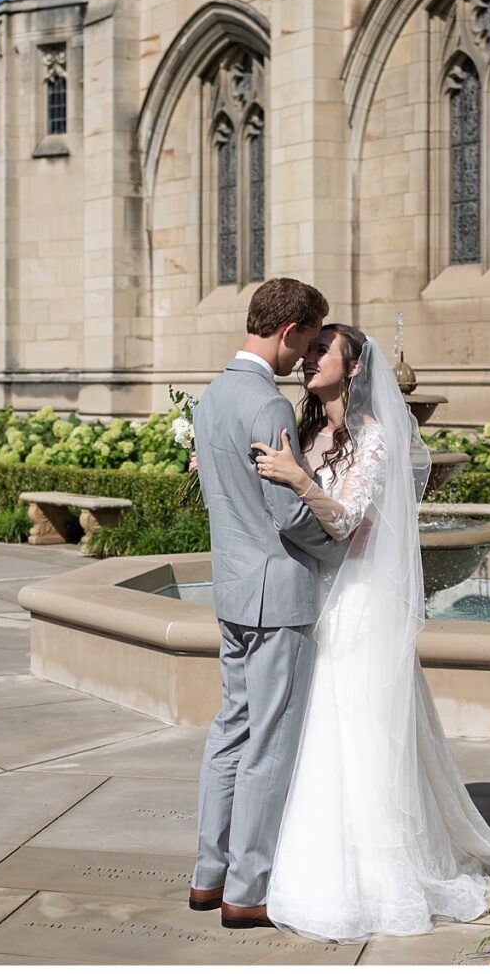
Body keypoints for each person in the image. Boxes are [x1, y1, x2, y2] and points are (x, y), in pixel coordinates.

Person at [250, 325, 490, 939]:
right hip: (311, 591)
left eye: (318, 353)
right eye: (305, 353)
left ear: (352, 368)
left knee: (357, 724)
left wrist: (299, 479)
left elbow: (350, 519)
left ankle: (378, 874)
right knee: (311, 723)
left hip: (357, 597)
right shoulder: (307, 432)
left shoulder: (376, 440)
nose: (306, 362)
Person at [187, 276, 349, 931]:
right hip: (278, 595)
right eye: (308, 339)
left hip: (230, 588)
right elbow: (289, 514)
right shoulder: (268, 405)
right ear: (289, 331)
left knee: (230, 729)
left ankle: (208, 873)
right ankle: (248, 889)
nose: (306, 353)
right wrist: (340, 543)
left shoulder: (211, 395)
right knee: (269, 744)